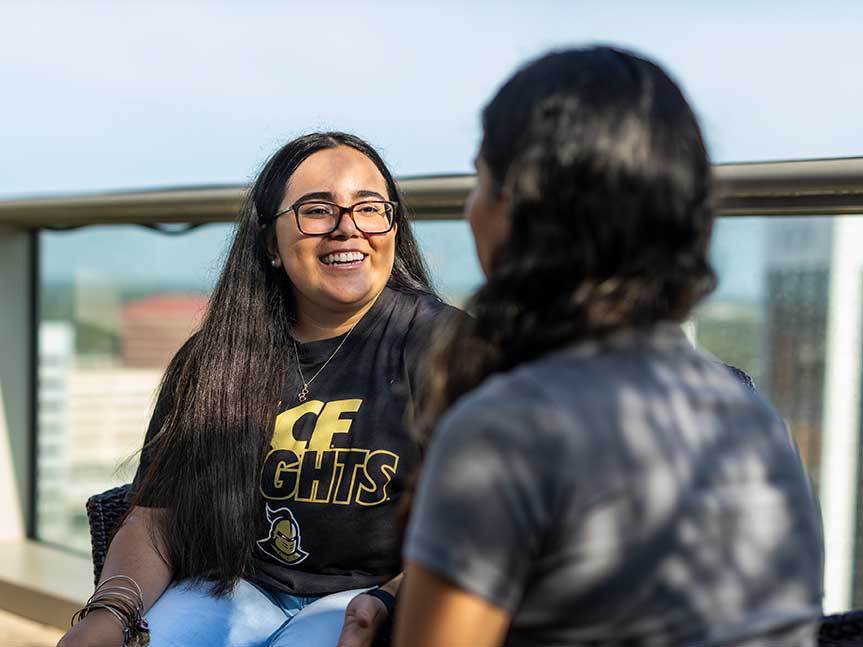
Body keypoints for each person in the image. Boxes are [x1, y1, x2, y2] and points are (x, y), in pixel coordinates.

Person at [396, 47, 824, 647]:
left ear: (520, 213)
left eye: (481, 181)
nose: (470, 208)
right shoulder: (749, 415)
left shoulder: (505, 431)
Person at [59, 132, 454, 647]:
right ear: (271, 243)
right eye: (317, 210)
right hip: (232, 586)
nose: (348, 229)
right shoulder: (215, 357)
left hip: (367, 598)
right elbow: (156, 519)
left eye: (370, 208)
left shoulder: (446, 349)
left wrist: (388, 598)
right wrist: (108, 613)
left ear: (393, 226)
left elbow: (481, 529)